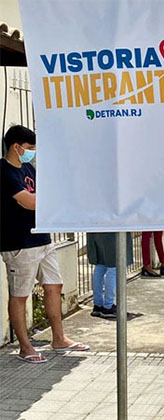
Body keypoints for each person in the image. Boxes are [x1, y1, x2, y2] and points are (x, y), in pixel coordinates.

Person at [1, 125, 89, 363]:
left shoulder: (28, 168)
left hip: (42, 238)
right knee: (20, 295)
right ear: (15, 147)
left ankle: (59, 338)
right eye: (29, 148)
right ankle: (25, 346)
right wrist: (54, 198)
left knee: (54, 285)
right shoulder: (5, 171)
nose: (32, 153)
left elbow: (46, 192)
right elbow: (29, 201)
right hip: (19, 243)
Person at [87, 232, 133, 318]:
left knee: (100, 264)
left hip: (96, 230)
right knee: (114, 266)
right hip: (112, 231)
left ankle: (98, 305)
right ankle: (108, 306)